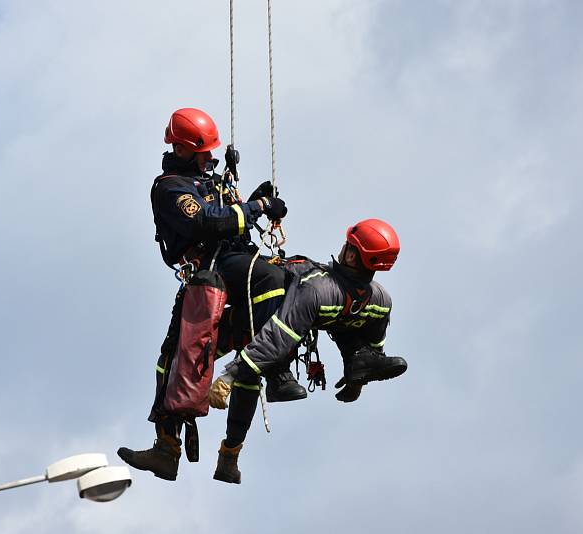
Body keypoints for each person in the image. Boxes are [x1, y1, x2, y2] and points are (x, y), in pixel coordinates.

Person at [117, 108, 305, 481]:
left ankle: (271, 372)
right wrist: (257, 208)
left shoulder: (208, 180)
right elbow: (207, 221)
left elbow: (227, 215)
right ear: (185, 150)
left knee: (277, 282)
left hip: (235, 261)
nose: (211, 158)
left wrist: (256, 200)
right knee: (172, 359)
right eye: (205, 153)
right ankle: (166, 449)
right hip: (210, 268)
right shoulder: (170, 187)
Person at [208, 218, 409, 484]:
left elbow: (280, 336)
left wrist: (229, 376)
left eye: (349, 245)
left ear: (351, 254)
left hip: (274, 332)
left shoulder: (321, 290)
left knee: (253, 364)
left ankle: (226, 453)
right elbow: (374, 341)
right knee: (255, 364)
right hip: (258, 318)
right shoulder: (379, 299)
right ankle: (228, 451)